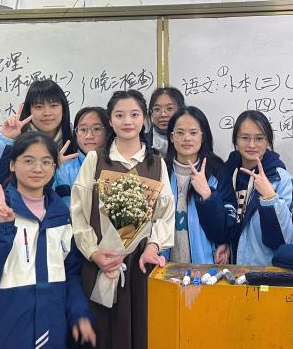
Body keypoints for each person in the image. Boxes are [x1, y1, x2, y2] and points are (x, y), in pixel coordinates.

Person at [0, 131, 96, 349]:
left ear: (54, 167)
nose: (38, 169)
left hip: (51, 333)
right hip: (0, 335)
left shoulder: (61, 217)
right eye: (28, 161)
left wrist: (79, 314)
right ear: (12, 164)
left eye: (46, 162)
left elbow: (71, 275)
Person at [71, 89, 174, 349]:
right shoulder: (96, 159)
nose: (127, 121)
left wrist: (153, 247)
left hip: (139, 267)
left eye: (134, 114)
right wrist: (94, 253)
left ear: (144, 119)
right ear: (110, 120)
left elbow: (164, 214)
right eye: (119, 115)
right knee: (102, 336)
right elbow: (79, 213)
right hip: (100, 266)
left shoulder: (156, 164)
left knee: (139, 334)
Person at [215, 110, 293, 266]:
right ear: (235, 140)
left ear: (268, 141)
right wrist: (226, 243)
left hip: (267, 274)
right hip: (233, 272)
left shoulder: (281, 180)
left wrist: (270, 198)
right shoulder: (226, 175)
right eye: (245, 138)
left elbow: (289, 242)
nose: (252, 145)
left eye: (259, 138)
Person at [0, 79, 78, 199]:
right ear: (29, 111)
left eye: (53, 105)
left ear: (63, 108)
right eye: (39, 107)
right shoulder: (13, 143)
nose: (47, 113)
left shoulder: (76, 143)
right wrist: (5, 140)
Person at [164, 106, 228, 264]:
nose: (187, 138)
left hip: (205, 267)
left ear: (203, 136)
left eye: (193, 133)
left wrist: (208, 195)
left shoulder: (217, 172)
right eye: (180, 133)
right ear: (171, 137)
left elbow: (225, 230)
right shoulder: (160, 170)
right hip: (163, 267)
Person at [53, 107, 109, 207]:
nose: (89, 136)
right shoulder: (63, 168)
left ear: (108, 131)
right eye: (83, 129)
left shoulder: (117, 165)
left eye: (96, 129)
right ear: (76, 133)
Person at [145, 87, 184, 156]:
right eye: (157, 109)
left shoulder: (190, 142)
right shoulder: (141, 142)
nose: (163, 114)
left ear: (180, 111)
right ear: (151, 112)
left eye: (169, 108)